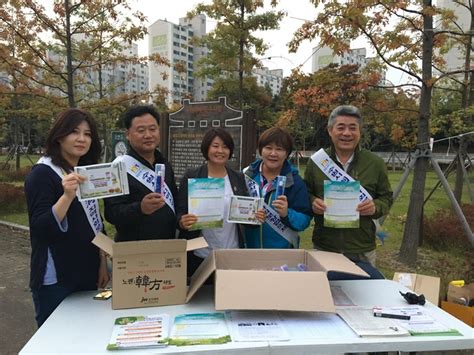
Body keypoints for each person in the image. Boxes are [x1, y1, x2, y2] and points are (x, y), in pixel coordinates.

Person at [25, 108, 109, 327]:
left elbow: (95, 222)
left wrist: (102, 262)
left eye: (88, 134)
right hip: (56, 279)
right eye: (74, 132)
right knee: (55, 340)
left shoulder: (82, 171)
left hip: (87, 271)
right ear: (59, 135)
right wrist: (67, 196)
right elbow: (41, 228)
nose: (82, 139)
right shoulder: (42, 173)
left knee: (84, 335)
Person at [304, 105, 393, 278]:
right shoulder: (317, 163)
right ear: (330, 131)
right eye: (341, 127)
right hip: (325, 246)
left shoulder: (374, 163)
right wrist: (312, 202)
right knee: (326, 297)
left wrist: (375, 206)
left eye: (353, 128)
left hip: (362, 248)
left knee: (364, 297)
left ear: (360, 132)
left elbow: (386, 198)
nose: (347, 133)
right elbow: (305, 193)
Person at [177, 128, 264, 277]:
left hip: (232, 253)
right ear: (206, 148)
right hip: (200, 254)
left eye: (225, 147)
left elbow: (244, 213)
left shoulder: (237, 178)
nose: (220, 151)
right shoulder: (192, 176)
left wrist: (256, 217)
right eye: (215, 146)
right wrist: (182, 221)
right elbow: (179, 211)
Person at [105, 105, 177, 241]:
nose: (148, 135)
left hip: (167, 245)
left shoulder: (164, 164)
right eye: (141, 130)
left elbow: (175, 201)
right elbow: (111, 213)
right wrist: (140, 208)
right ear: (128, 134)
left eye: (152, 129)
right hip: (134, 249)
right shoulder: (118, 167)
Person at [244, 127, 312, 249]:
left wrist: (287, 214)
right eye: (268, 148)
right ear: (261, 150)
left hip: (282, 255)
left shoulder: (295, 182)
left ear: (286, 153)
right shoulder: (246, 176)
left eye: (279, 149)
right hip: (248, 252)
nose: (273, 153)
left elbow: (305, 219)